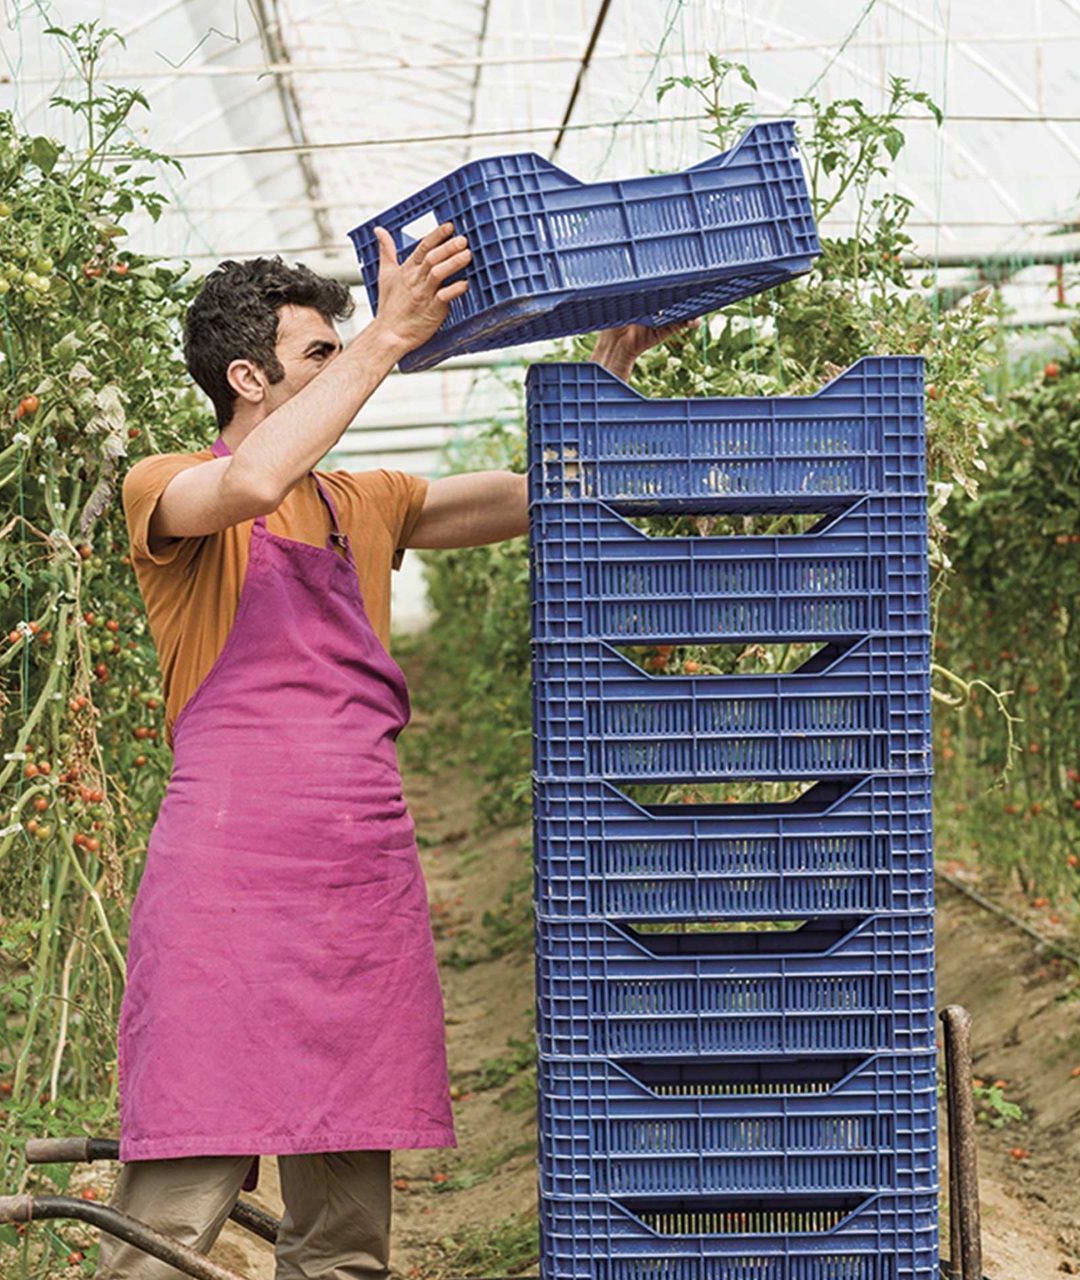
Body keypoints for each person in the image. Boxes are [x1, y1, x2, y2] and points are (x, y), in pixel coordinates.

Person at [99, 223, 684, 1280]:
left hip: (356, 877)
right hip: (226, 884)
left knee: (346, 1230)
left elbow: (549, 489)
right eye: (320, 351)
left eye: (338, 348)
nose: (346, 363)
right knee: (172, 1212)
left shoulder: (363, 503)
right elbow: (247, 487)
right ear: (247, 374)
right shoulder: (170, 486)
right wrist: (386, 339)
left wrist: (614, 363)